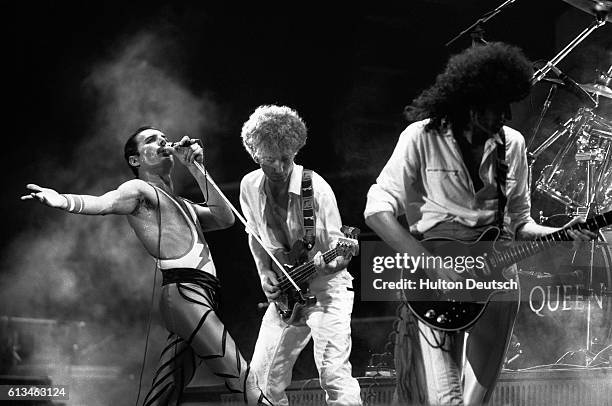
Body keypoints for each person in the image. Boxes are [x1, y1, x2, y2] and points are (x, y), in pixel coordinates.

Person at [364, 43, 596, 405]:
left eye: (507, 104)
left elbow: (521, 224)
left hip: (498, 284)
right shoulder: (420, 138)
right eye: (493, 106)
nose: (502, 115)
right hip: (435, 281)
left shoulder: (513, 145)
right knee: (447, 398)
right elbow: (377, 210)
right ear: (466, 101)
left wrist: (563, 232)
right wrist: (433, 265)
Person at [22, 127, 271, 406]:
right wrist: (62, 200)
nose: (163, 141)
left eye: (164, 137)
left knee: (166, 389)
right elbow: (105, 203)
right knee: (242, 377)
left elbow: (224, 219)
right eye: (152, 140)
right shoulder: (139, 190)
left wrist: (197, 169)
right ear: (135, 160)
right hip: (185, 296)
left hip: (202, 296)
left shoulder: (186, 205)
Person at [239, 105, 362, 406]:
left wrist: (338, 259)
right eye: (271, 160)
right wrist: (264, 273)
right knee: (260, 379)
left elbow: (338, 250)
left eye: (287, 158)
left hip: (327, 289)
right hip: (286, 291)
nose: (281, 168)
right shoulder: (248, 187)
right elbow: (254, 236)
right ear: (255, 154)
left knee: (333, 374)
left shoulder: (317, 190)